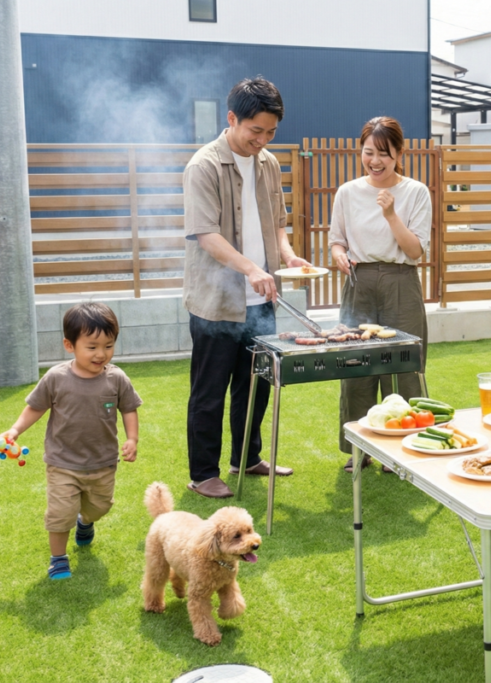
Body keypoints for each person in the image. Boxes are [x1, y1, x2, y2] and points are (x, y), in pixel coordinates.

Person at [183, 77, 309, 498]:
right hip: (216, 302)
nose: (263, 140)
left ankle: (247, 458)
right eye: (256, 130)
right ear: (232, 118)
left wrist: (288, 257)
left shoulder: (268, 163)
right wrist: (251, 267)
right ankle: (203, 473)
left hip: (263, 299)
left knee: (256, 386)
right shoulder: (203, 166)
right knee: (209, 393)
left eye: (271, 132)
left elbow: (277, 224)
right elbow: (206, 235)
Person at [0, 302, 142, 580]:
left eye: (108, 346)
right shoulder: (57, 378)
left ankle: (85, 522)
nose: (101, 354)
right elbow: (36, 407)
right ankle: (58, 558)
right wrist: (14, 431)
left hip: (103, 462)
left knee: (100, 506)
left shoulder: (117, 378)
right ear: (69, 345)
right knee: (60, 513)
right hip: (63, 462)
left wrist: (132, 438)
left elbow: (129, 408)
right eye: (92, 347)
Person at [329, 116, 433, 473]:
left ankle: (403, 447)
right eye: (369, 152)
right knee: (356, 365)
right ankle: (359, 449)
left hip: (401, 281)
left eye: (384, 154)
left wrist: (390, 214)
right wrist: (340, 255)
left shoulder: (416, 192)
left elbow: (416, 250)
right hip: (359, 281)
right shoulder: (347, 192)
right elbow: (336, 241)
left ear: (399, 153)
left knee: (404, 365)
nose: (375, 161)